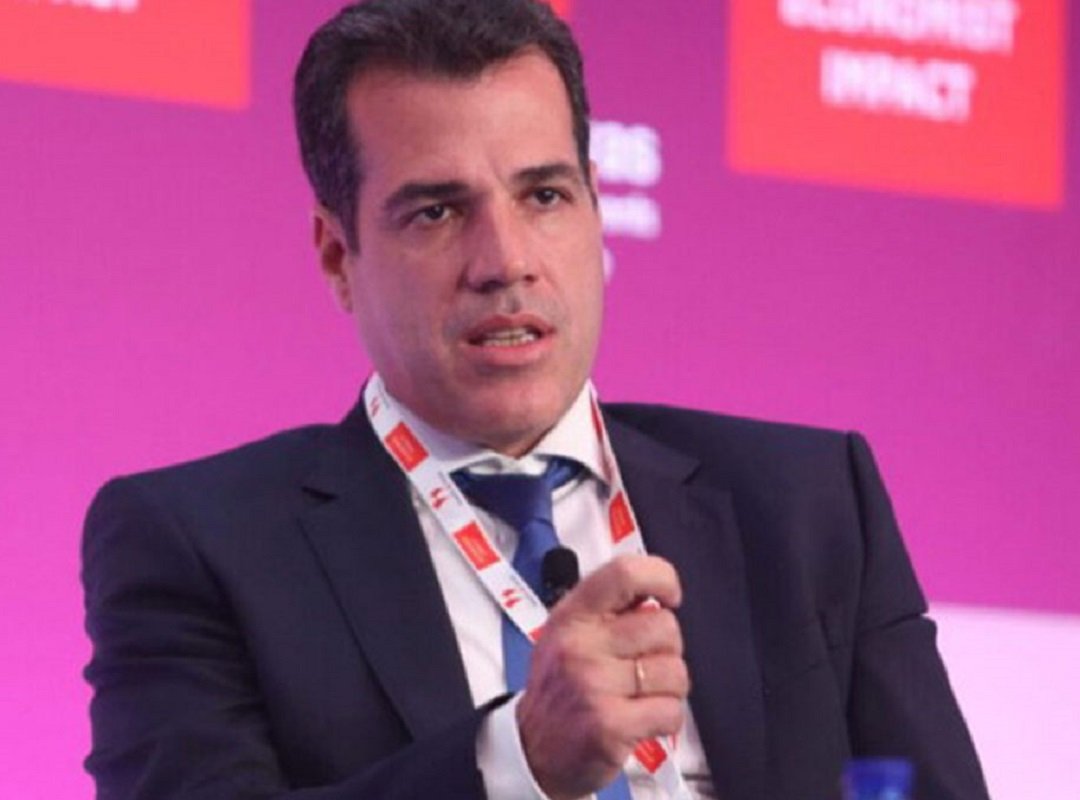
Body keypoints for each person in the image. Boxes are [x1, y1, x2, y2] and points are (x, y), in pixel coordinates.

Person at [81, 1, 990, 798]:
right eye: (437, 212)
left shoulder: (806, 503)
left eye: (545, 195)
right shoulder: (200, 545)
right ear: (336, 255)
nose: (505, 261)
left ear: (594, 206)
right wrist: (516, 764)